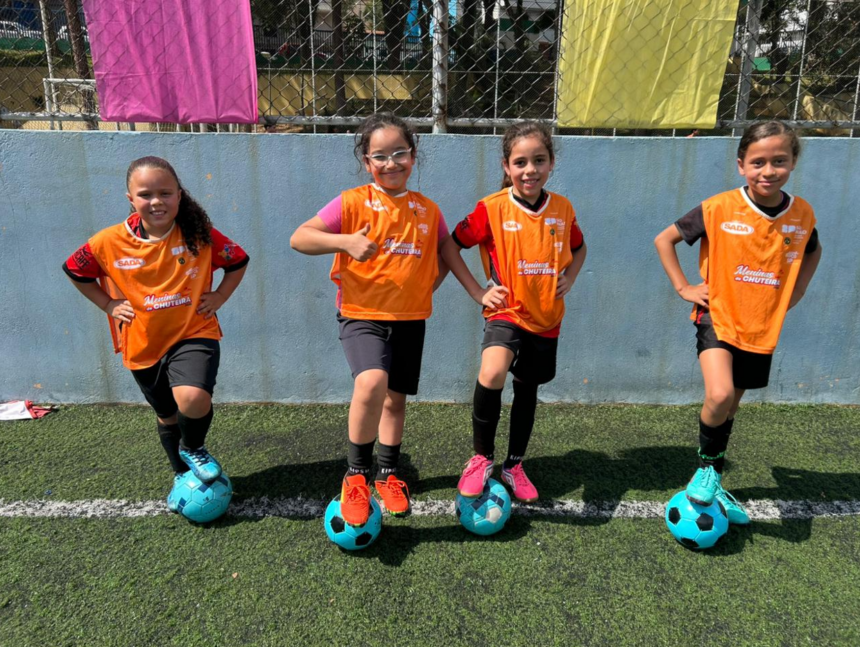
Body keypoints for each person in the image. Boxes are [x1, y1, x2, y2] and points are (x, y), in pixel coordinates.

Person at [654, 121, 822, 524]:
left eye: (779, 161)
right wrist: (683, 288)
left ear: (793, 163)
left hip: (762, 325)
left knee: (730, 407)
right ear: (741, 165)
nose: (768, 170)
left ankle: (715, 481)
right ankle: (706, 470)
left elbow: (813, 250)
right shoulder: (718, 208)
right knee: (718, 395)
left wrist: (796, 293)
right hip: (717, 317)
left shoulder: (801, 214)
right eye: (758, 162)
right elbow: (665, 239)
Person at [63, 156, 249, 509]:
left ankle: (194, 447)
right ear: (130, 199)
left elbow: (238, 261)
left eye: (165, 192)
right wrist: (108, 304)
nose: (156, 201)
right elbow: (75, 270)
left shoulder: (199, 234)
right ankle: (182, 473)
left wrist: (221, 295)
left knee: (193, 398)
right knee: (167, 414)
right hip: (142, 341)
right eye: (145, 194)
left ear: (179, 195)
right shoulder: (107, 242)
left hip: (194, 331)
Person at [290, 113, 449, 525]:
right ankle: (356, 474)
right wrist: (343, 240)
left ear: (414, 157)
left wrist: (428, 285)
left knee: (395, 399)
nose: (391, 163)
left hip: (410, 317)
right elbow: (300, 237)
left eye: (400, 153)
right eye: (380, 156)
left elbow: (447, 252)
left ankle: (388, 473)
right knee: (372, 381)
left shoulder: (427, 210)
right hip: (361, 314)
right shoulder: (352, 202)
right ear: (366, 162)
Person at [441, 120, 587, 503]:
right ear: (507, 166)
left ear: (551, 163)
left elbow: (580, 247)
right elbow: (450, 246)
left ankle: (514, 464)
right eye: (520, 162)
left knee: (526, 389)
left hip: (547, 317)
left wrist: (570, 276)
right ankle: (482, 458)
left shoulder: (563, 209)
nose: (530, 170)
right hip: (507, 312)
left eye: (539, 160)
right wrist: (477, 291)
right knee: (491, 372)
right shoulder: (490, 209)